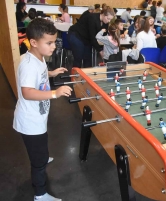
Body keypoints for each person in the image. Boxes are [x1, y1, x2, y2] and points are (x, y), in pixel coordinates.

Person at [13, 18, 72, 201]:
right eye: (49, 43)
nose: (54, 46)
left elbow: (41, 73)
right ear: (34, 42)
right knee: (37, 163)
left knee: (42, 143)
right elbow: (28, 92)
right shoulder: (28, 64)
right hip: (30, 121)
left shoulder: (38, 58)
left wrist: (52, 73)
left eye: (54, 41)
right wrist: (55, 93)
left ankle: (43, 156)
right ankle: (40, 195)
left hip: (37, 117)